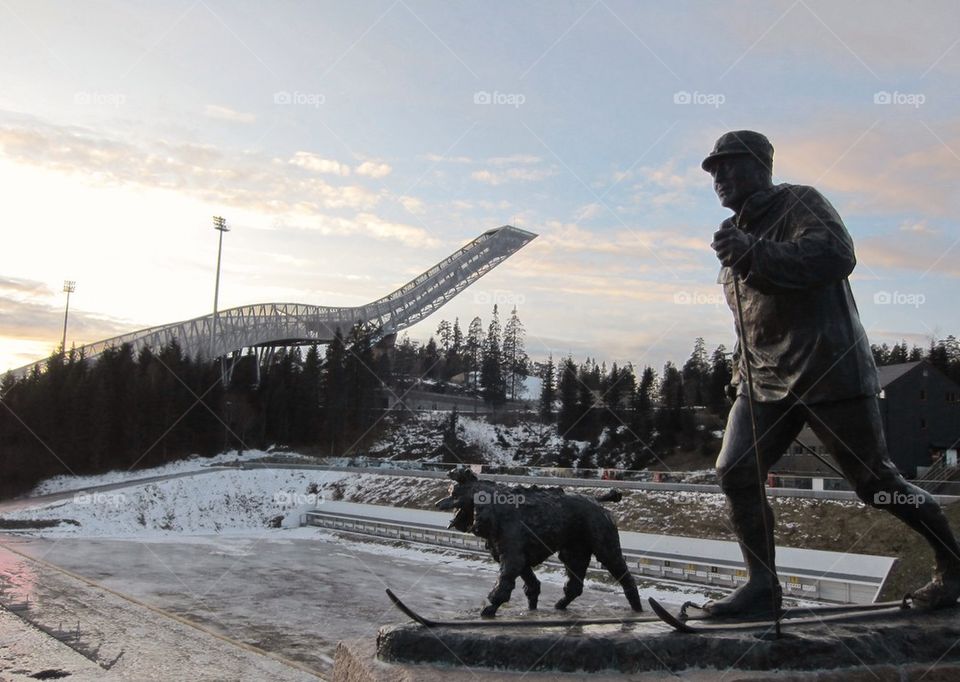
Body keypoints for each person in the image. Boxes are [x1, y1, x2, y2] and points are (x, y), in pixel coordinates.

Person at [702, 130, 960, 617]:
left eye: (730, 166)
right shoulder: (732, 236)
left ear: (761, 167)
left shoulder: (801, 203)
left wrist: (754, 252)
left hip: (828, 369)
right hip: (764, 379)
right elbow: (751, 319)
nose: (720, 178)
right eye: (714, 170)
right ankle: (762, 585)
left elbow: (835, 255)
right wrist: (740, 368)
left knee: (873, 481)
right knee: (735, 471)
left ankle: (953, 566)